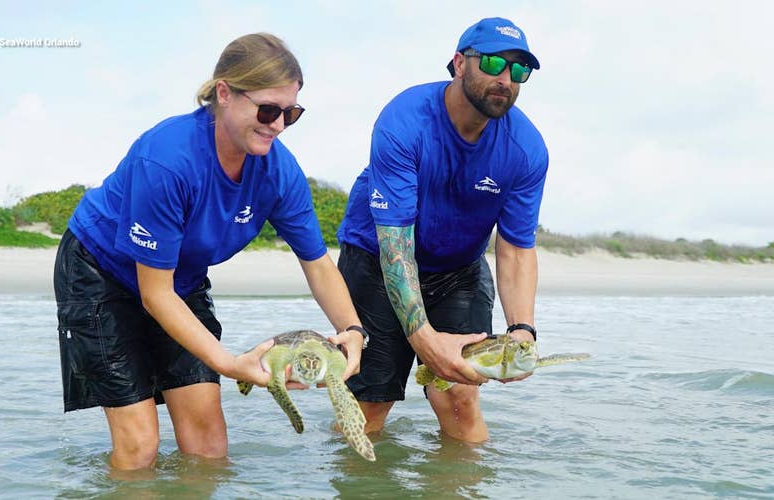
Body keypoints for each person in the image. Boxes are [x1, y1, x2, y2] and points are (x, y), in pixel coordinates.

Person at [54, 33, 367, 470]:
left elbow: (317, 264)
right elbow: (154, 295)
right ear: (224, 93)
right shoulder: (167, 159)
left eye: (290, 114)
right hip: (99, 271)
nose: (277, 125)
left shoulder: (280, 171)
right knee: (140, 446)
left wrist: (352, 329)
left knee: (209, 447)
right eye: (267, 110)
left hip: (180, 277)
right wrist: (230, 363)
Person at [336, 17, 548, 443]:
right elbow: (395, 244)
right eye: (492, 63)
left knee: (459, 396)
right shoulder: (405, 121)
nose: (505, 79)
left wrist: (522, 331)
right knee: (372, 402)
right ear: (458, 63)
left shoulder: (526, 150)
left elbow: (515, 250)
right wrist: (424, 339)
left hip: (458, 270)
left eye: (519, 70)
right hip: (378, 259)